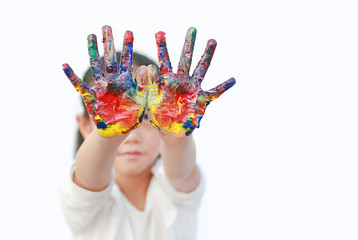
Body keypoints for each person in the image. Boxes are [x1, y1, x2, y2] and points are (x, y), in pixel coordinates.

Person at [60, 25, 236, 240]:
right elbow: (90, 178)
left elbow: (182, 174)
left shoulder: (175, 190)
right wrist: (107, 137)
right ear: (86, 126)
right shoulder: (82, 194)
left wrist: (176, 141)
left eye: (144, 117)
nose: (132, 136)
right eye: (120, 115)